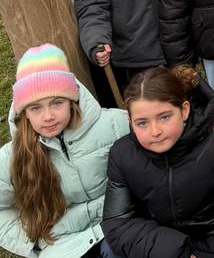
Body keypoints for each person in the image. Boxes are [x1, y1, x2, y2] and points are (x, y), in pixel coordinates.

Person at [0, 44, 128, 257]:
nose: (48, 115)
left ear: (72, 101)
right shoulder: (10, 157)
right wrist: (31, 245)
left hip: (120, 229)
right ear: (24, 113)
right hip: (63, 246)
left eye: (57, 102)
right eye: (36, 108)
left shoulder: (115, 125)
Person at [102, 65, 214, 257]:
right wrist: (177, 252)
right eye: (142, 123)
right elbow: (117, 222)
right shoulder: (122, 154)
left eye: (164, 117)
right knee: (108, 249)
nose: (155, 131)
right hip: (164, 247)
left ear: (184, 110)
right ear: (130, 121)